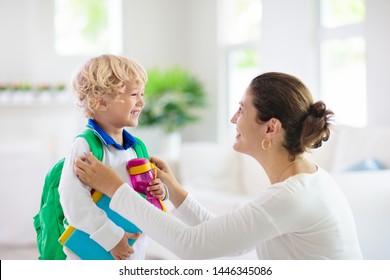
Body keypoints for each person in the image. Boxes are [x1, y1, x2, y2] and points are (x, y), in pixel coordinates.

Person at [74, 72, 363, 260]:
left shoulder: (292, 196)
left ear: (271, 128)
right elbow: (230, 241)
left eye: (242, 109)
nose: (233, 118)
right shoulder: (305, 182)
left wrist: (115, 188)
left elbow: (192, 245)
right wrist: (175, 190)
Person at [59, 54, 167, 260]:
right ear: (101, 102)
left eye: (142, 94)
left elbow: (143, 198)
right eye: (134, 94)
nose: (142, 102)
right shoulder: (86, 146)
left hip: (133, 251)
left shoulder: (137, 148)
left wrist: (160, 192)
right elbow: (73, 200)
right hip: (93, 252)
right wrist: (112, 239)